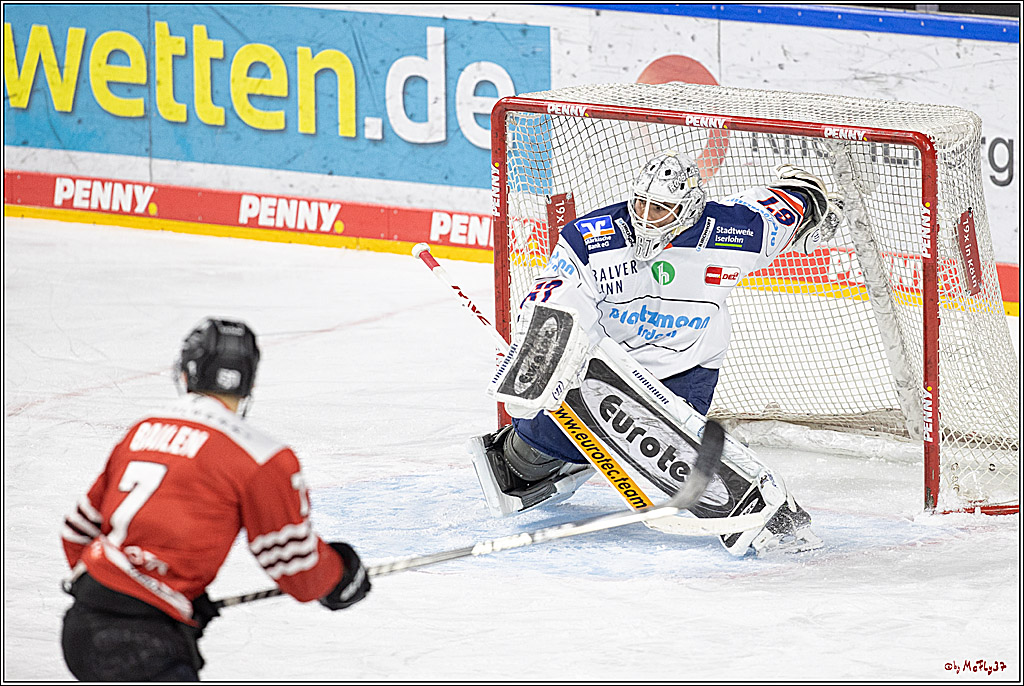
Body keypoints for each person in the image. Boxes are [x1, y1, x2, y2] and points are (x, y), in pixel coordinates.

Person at [470, 150, 840, 554]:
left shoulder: (737, 232)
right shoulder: (592, 238)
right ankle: (557, 457)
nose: (646, 217)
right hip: (604, 364)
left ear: (688, 209)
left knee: (669, 453)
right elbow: (554, 293)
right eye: (641, 203)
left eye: (661, 208)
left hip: (686, 368)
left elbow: (790, 205)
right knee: (524, 462)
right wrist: (539, 358)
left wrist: (811, 200)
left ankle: (763, 513)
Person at [60, 318, 371, 681]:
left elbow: (78, 530)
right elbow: (296, 568)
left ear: (188, 373)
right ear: (249, 381)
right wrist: (338, 576)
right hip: (145, 648)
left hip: (81, 627)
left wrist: (146, 592)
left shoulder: (142, 432)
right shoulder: (262, 456)